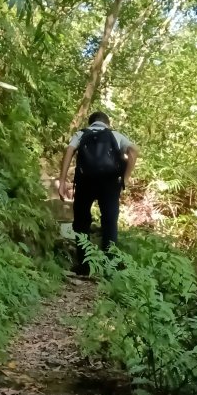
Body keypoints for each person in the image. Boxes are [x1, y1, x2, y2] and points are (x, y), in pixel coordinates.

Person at [57, 112, 138, 275]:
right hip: (109, 183)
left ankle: (85, 266)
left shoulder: (81, 134)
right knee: (109, 221)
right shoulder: (115, 135)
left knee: (81, 221)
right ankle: (110, 267)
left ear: (90, 123)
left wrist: (62, 180)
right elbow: (134, 151)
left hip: (85, 182)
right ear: (107, 123)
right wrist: (125, 179)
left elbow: (69, 151)